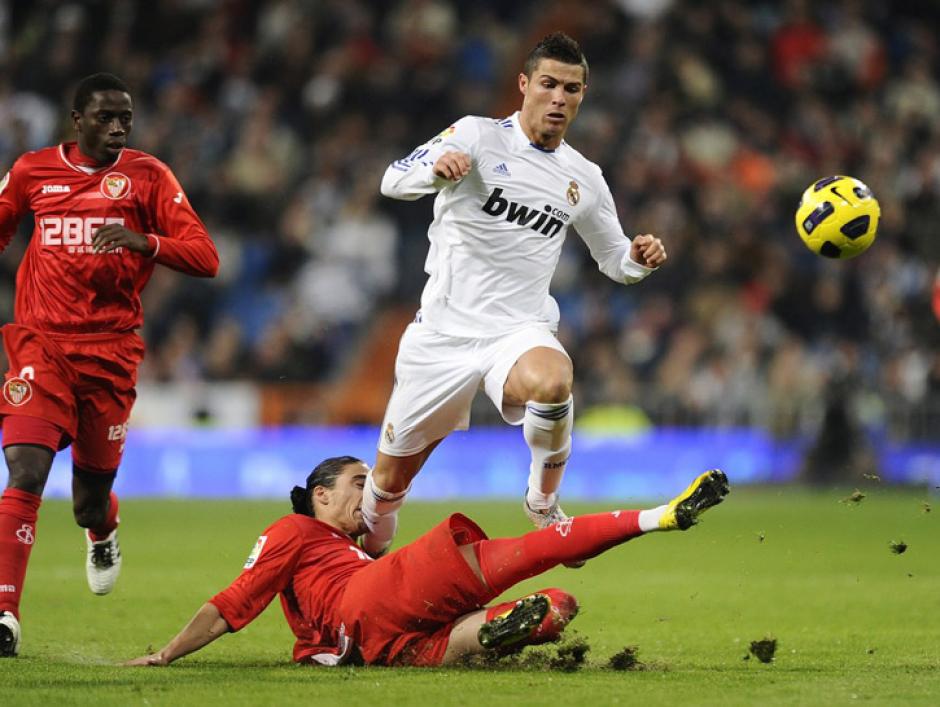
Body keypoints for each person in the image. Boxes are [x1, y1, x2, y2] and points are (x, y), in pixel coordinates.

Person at [363, 32, 668, 557]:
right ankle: (364, 562)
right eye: (548, 84)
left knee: (553, 380)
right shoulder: (476, 136)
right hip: (443, 335)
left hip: (517, 330)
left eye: (571, 88)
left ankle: (542, 501)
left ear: (583, 95)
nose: (558, 98)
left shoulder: (584, 177)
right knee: (388, 485)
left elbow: (613, 258)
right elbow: (393, 179)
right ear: (524, 84)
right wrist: (434, 170)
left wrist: (637, 259)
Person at [0, 73, 219, 657]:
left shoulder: (148, 176)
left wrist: (145, 241)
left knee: (87, 503)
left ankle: (103, 529)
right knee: (25, 471)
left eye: (126, 118)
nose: (119, 127)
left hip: (110, 354)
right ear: (77, 121)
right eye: (105, 117)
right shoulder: (32, 171)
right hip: (41, 346)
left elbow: (206, 256)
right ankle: (5, 614)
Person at [126, 458, 729, 668]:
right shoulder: (295, 529)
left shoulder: (348, 548)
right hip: (368, 596)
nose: (369, 491)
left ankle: (497, 630)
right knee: (525, 550)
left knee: (556, 609)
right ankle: (660, 516)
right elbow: (236, 600)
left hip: (368, 644)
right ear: (321, 496)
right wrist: (168, 652)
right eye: (359, 482)